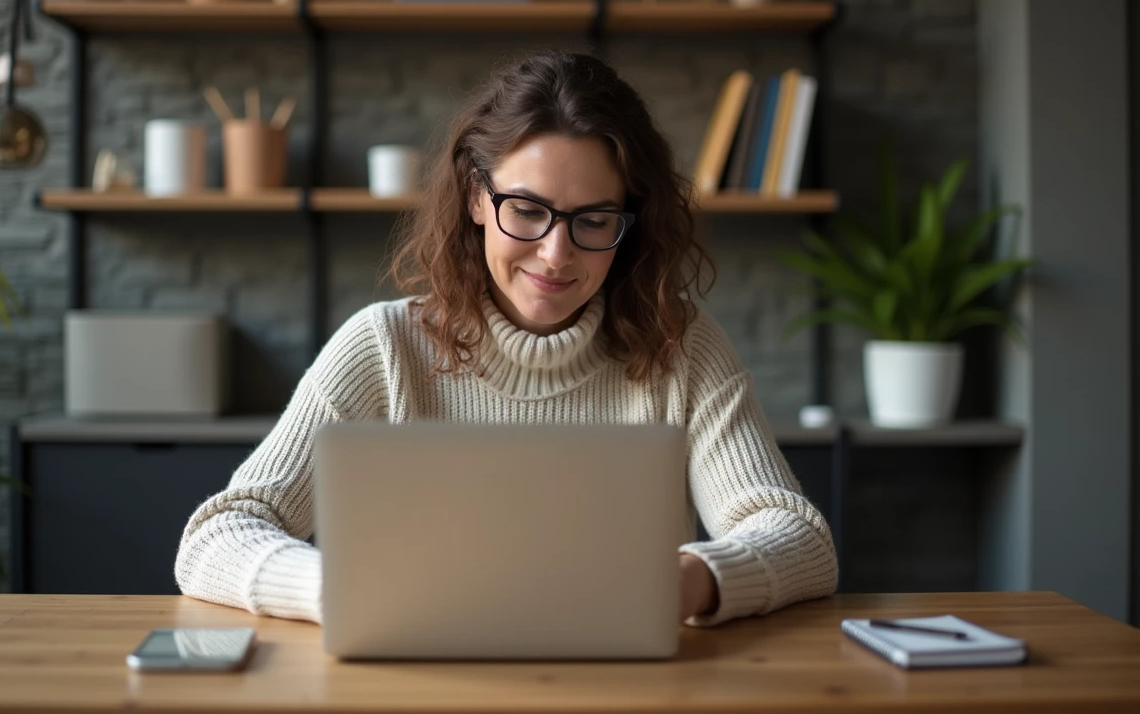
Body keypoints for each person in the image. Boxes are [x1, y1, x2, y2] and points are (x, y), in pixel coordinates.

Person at [175, 50, 838, 627]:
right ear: (474, 197)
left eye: (594, 219)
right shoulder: (383, 348)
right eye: (527, 210)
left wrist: (690, 581)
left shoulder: (681, 346)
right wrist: (344, 590)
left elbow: (800, 540)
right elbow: (215, 538)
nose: (555, 255)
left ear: (628, 222)